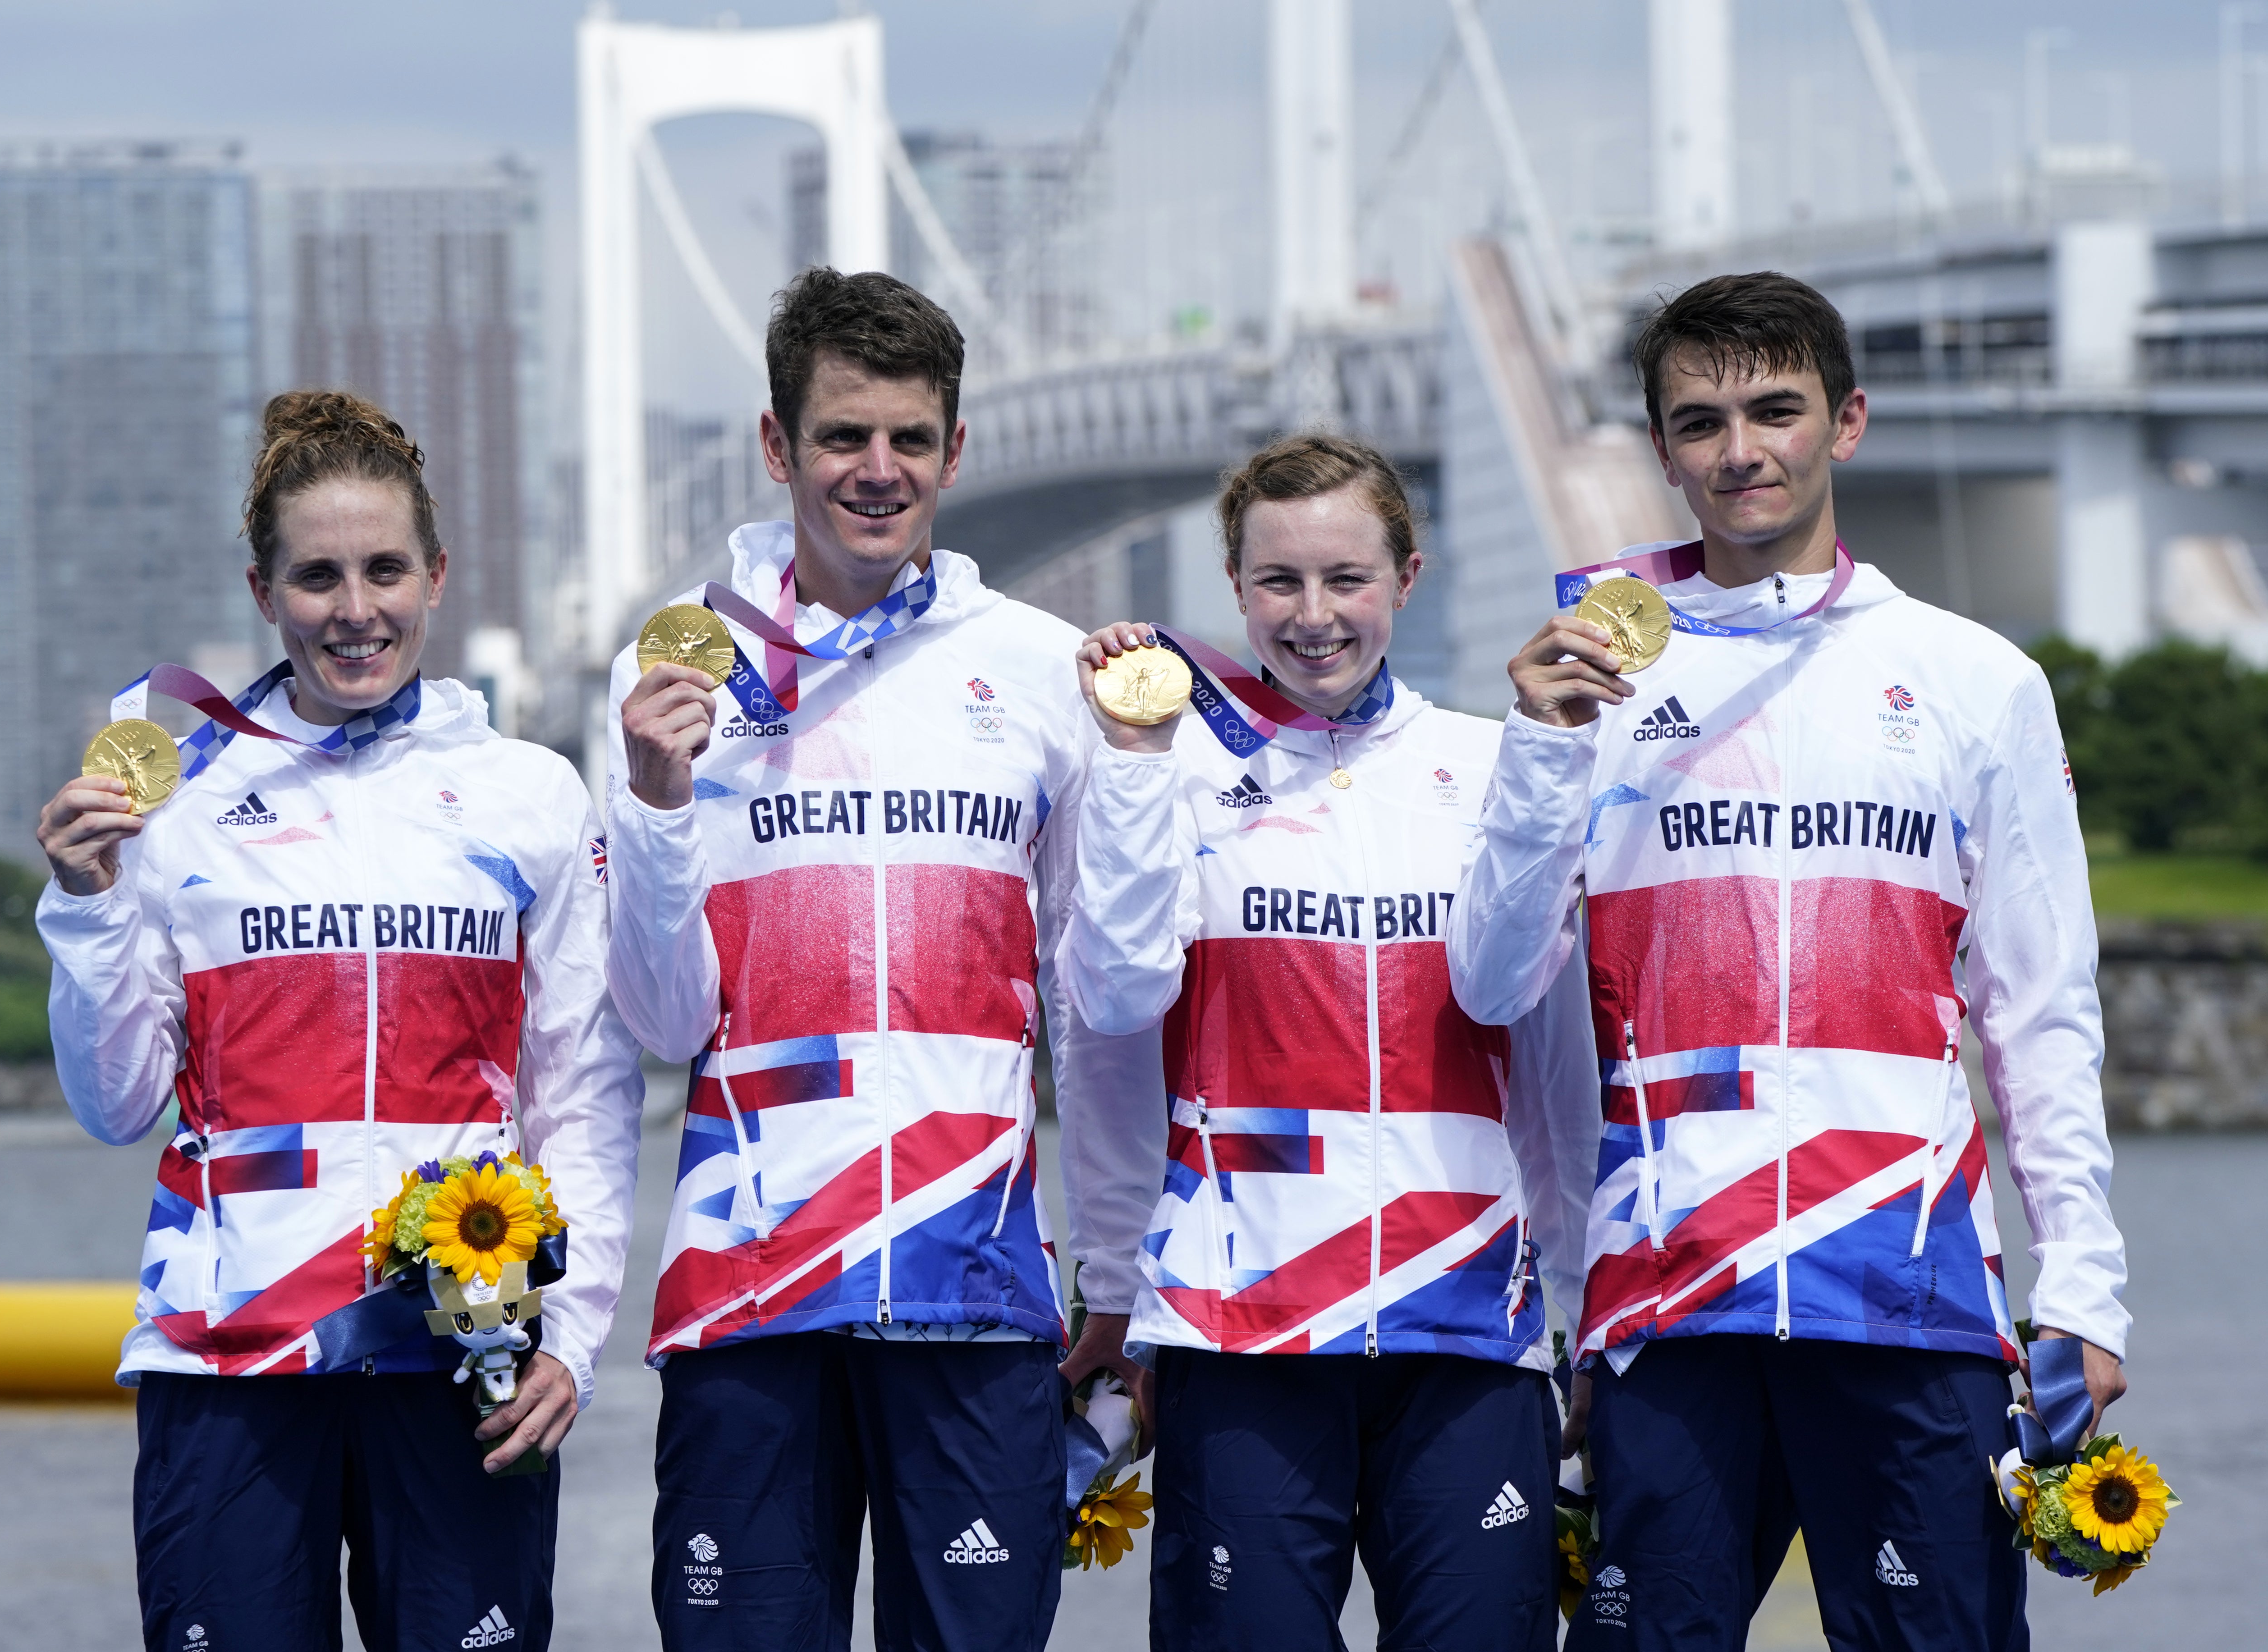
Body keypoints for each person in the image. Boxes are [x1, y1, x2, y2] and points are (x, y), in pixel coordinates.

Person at [1449, 271, 2130, 1649]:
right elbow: (1490, 984)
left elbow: (2041, 1009)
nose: (1740, 449)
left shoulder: (1974, 676)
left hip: (1909, 1286)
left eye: (1775, 409)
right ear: (1660, 450)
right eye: (1700, 422)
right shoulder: (1588, 675)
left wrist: (2085, 1286)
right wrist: (1539, 752)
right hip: (1672, 1293)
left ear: (1849, 421)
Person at [34, 391, 644, 1651]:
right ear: (262, 590)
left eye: (382, 569)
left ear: (437, 574)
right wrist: (87, 904)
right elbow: (114, 1102)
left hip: (462, 1353)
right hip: (230, 1361)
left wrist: (573, 1341)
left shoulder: (531, 793)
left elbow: (584, 1093)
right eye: (317, 575)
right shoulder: (176, 802)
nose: (354, 609)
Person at [606, 267, 1148, 1651]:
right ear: (779, 446)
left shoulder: (1044, 669)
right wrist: (660, 806)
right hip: (753, 1285)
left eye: (911, 438)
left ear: (956, 451)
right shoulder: (674, 668)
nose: (877, 469)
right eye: (843, 436)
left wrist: (1116, 1279)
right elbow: (667, 1023)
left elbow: (1094, 1014)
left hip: (975, 1285)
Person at [1058, 434, 1599, 1651]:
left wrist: (1586, 1305)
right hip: (1243, 1330)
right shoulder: (1162, 767)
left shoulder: (1495, 762)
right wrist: (1136, 763)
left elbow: (1549, 1048)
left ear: (1409, 578)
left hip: (1466, 1322)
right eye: (1279, 583)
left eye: (1347, 578)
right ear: (1235, 588)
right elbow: (1112, 1006)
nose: (1314, 617)